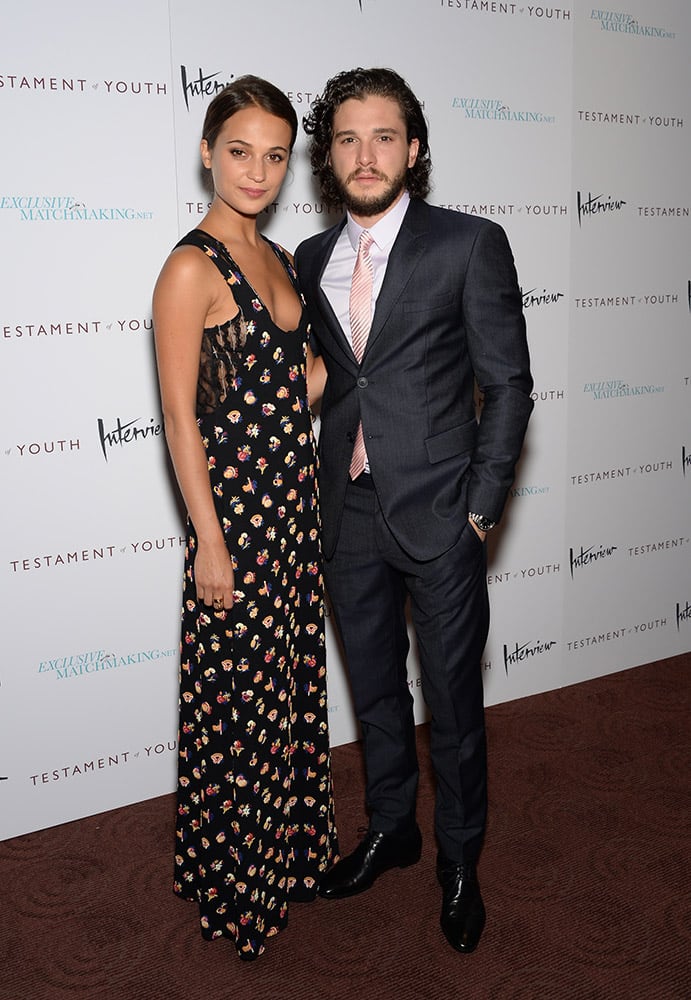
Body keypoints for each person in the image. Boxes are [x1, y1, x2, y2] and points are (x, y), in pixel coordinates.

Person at [295, 67, 533, 954]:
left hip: (441, 515)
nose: (365, 154)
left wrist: (480, 512)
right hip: (346, 512)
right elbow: (334, 381)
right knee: (375, 690)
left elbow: (507, 387)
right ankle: (392, 830)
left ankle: (458, 860)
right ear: (330, 156)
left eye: (383, 136)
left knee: (453, 704)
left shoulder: (467, 245)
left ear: (414, 149)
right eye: (347, 138)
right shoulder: (313, 260)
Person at [152, 76, 338, 962]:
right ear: (207, 152)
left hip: (292, 514)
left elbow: (282, 387)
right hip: (236, 526)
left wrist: (346, 371)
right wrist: (210, 542)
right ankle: (237, 888)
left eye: (274, 156)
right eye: (239, 151)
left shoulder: (281, 258)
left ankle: (285, 859)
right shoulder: (189, 267)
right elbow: (182, 419)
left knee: (284, 697)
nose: (257, 171)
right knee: (238, 714)